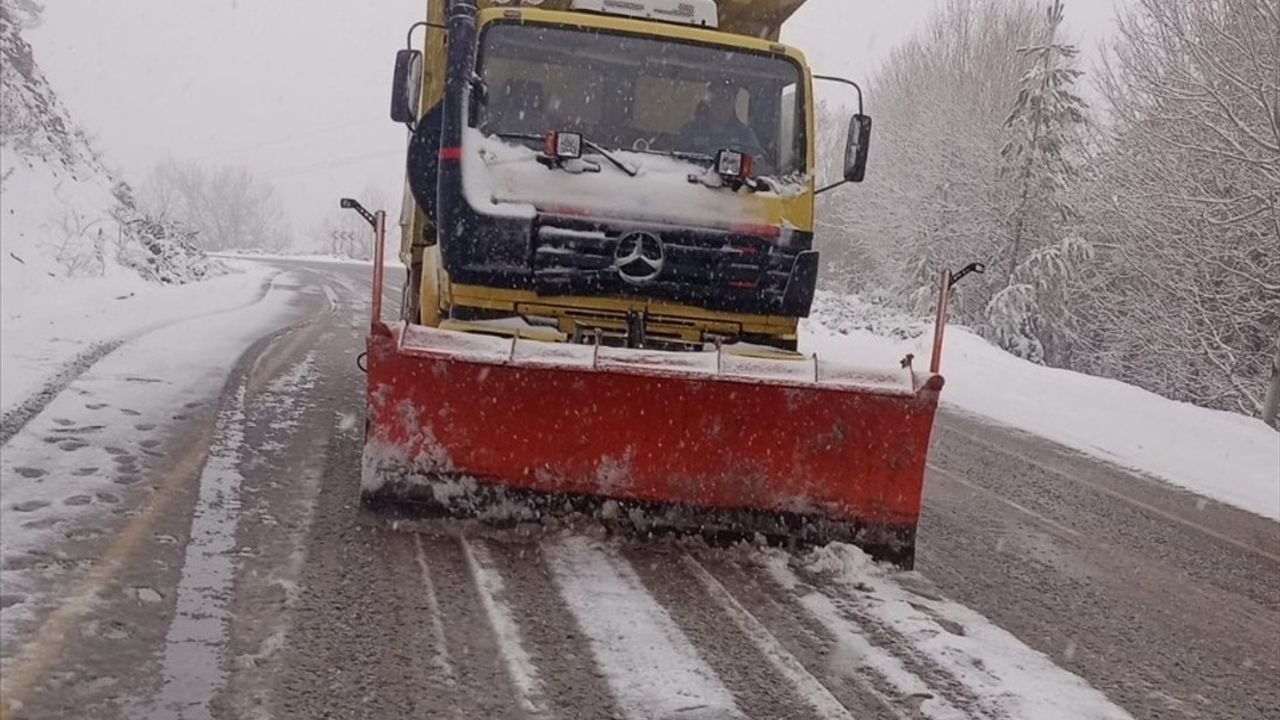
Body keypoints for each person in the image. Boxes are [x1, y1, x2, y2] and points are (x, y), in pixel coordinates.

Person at [678, 81, 766, 161]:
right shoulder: (690, 131)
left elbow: (757, 165)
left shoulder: (745, 135)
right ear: (709, 102)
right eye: (718, 98)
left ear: (734, 103)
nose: (722, 104)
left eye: (727, 99)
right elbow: (678, 163)